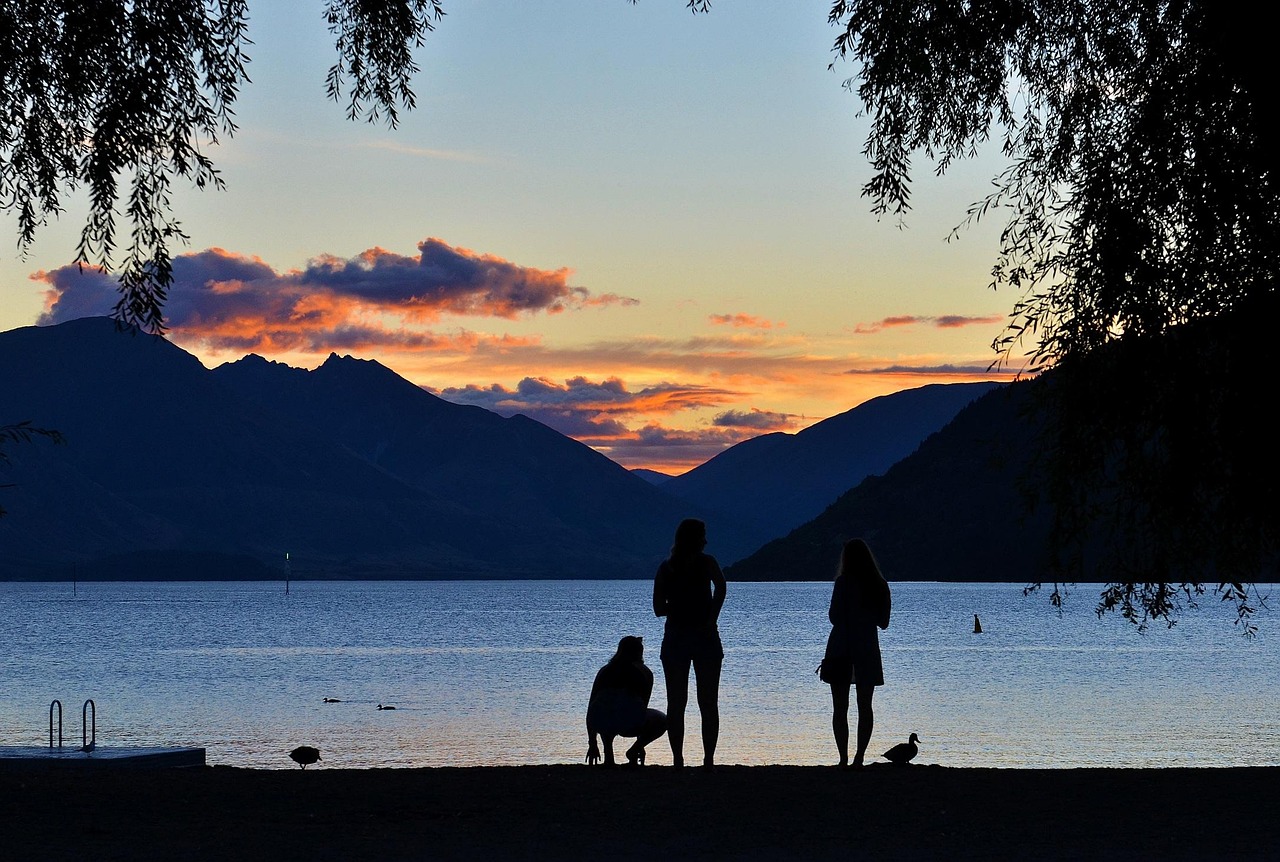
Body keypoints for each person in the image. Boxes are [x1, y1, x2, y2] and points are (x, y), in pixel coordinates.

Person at [652, 518, 727, 768]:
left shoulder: (666, 567)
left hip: (676, 638)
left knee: (677, 702)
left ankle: (678, 760)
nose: (706, 540)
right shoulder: (707, 563)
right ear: (695, 538)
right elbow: (722, 587)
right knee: (708, 702)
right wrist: (710, 615)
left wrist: (678, 606)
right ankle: (708, 760)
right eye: (702, 535)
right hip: (703, 638)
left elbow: (658, 608)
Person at [821, 538, 891, 768]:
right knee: (865, 706)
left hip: (841, 647)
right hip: (867, 648)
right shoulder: (880, 585)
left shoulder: (843, 582)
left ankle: (843, 758)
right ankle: (859, 757)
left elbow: (834, 617)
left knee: (840, 708)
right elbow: (884, 622)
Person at [585, 635, 667, 767]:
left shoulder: (605, 671)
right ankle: (633, 750)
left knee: (605, 708)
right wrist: (640, 744)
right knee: (662, 720)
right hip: (630, 724)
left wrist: (592, 743)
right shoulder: (644, 673)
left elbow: (591, 709)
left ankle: (608, 755)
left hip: (603, 722)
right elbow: (641, 708)